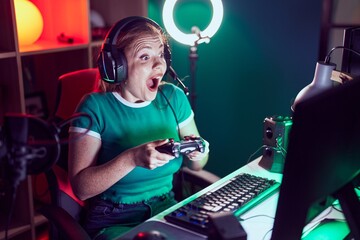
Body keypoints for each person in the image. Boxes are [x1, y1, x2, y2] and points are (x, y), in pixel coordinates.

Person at [68, 16, 209, 239]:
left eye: (161, 54)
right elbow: (81, 188)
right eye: (145, 57)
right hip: (113, 218)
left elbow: (199, 165)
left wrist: (198, 152)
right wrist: (132, 158)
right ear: (116, 67)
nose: (159, 64)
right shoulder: (94, 107)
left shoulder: (174, 98)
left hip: (166, 209)